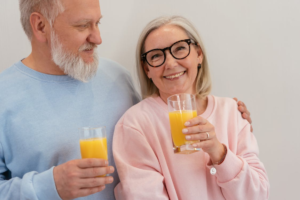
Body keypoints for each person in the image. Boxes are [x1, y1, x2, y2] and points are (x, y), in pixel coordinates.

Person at [0, 1, 252, 200]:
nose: (97, 38)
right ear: (40, 26)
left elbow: (158, 127)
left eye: (97, 23)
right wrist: (49, 187)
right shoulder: (5, 96)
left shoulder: (116, 77)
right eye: (83, 26)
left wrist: (230, 120)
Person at [113, 16, 269, 200]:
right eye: (156, 56)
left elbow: (258, 195)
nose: (170, 64)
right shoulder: (135, 124)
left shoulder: (232, 112)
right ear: (147, 69)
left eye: (180, 48)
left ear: (199, 54)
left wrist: (220, 153)